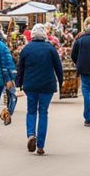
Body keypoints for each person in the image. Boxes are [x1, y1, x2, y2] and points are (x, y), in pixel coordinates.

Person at [15, 24, 63, 155]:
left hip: (30, 85)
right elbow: (58, 67)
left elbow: (20, 68)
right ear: (44, 35)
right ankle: (40, 145)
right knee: (43, 113)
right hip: (47, 86)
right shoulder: (50, 49)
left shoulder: (26, 49)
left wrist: (18, 83)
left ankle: (31, 134)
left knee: (31, 111)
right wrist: (61, 81)